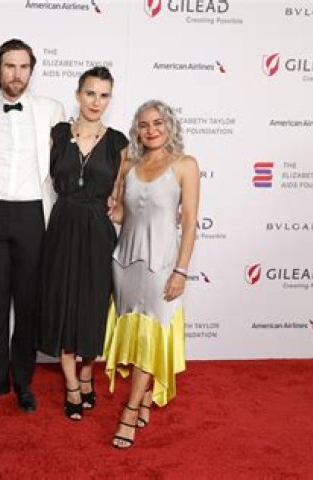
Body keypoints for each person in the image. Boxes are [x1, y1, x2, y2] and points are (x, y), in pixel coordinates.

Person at [0, 39, 65, 412]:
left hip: (33, 215)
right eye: (9, 66)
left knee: (27, 307)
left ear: (31, 71)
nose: (16, 74)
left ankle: (24, 382)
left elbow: (69, 161)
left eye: (24, 67)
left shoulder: (52, 111)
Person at [104, 99, 200, 448]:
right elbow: (121, 214)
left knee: (152, 334)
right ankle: (143, 397)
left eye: (158, 122)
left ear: (169, 125)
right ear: (137, 131)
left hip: (162, 265)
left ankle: (130, 410)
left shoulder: (185, 165)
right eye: (144, 125)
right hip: (125, 263)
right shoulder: (128, 163)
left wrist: (181, 271)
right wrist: (105, 208)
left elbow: (189, 224)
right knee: (135, 334)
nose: (152, 130)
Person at [36, 67, 128, 421]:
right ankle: (72, 383)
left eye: (104, 95)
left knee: (92, 305)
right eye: (90, 93)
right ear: (78, 95)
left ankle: (87, 371)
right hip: (62, 227)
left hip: (98, 232)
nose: (96, 102)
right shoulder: (57, 134)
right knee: (61, 302)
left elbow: (121, 197)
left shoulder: (118, 143)